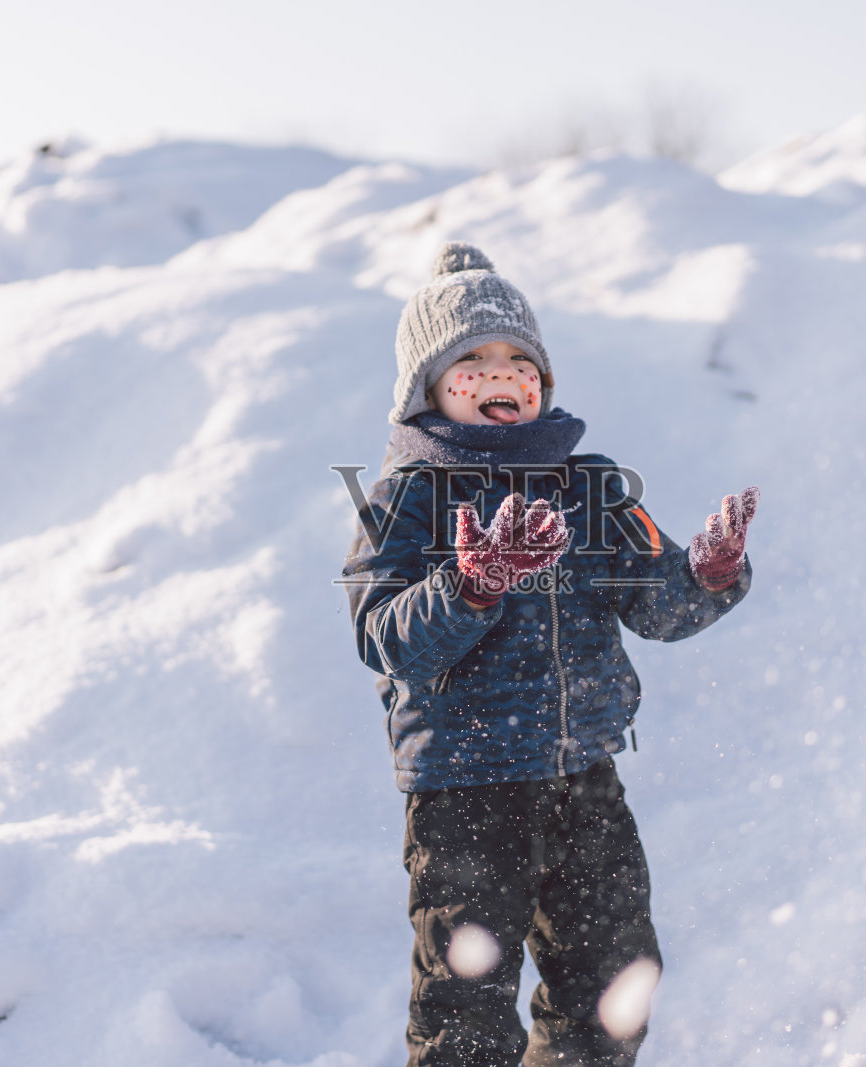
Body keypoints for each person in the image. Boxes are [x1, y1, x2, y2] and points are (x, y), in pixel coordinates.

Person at [342, 241, 758, 1067]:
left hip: (583, 780)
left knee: (613, 984)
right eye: (472, 358)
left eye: (518, 359)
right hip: (465, 790)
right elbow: (385, 636)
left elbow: (655, 604)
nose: (501, 371)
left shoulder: (588, 486)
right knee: (467, 1011)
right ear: (427, 387)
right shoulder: (408, 498)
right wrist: (472, 584)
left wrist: (707, 574)